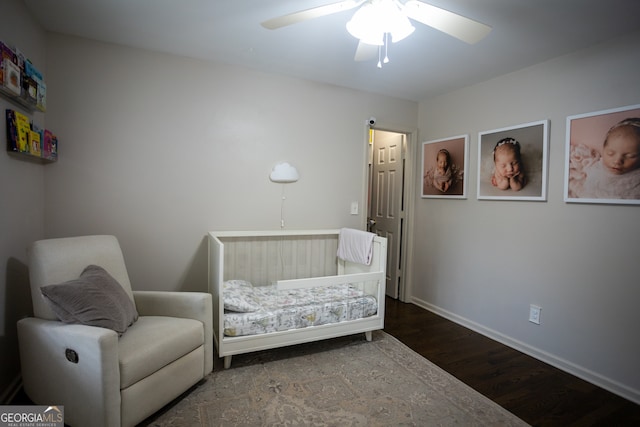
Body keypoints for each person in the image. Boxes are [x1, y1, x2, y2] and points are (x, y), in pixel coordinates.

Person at [581, 117, 640, 199]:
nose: (617, 161)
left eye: (630, 156)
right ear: (603, 148)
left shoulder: (636, 178)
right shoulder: (597, 167)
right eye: (610, 154)